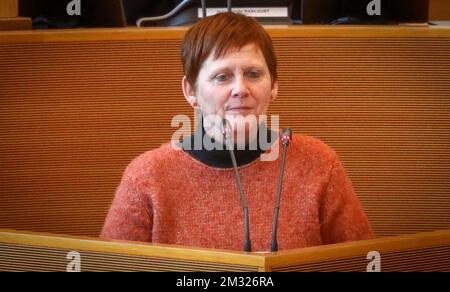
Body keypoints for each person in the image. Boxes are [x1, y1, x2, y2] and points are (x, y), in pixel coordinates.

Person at [100, 12, 373, 251]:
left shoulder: (320, 164)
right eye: (222, 77)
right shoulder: (146, 177)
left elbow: (362, 263)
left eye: (253, 74)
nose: (241, 89)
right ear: (191, 91)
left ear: (274, 85)